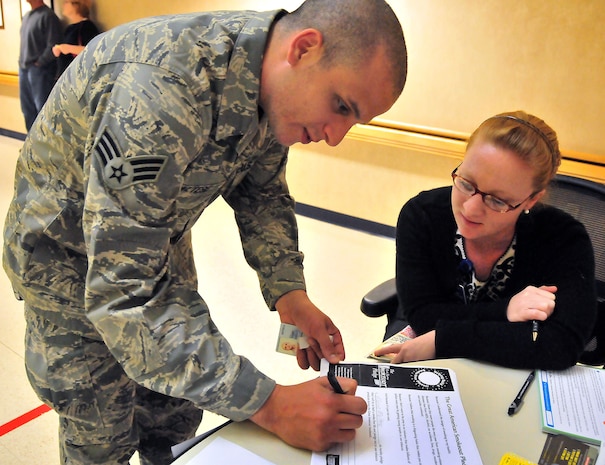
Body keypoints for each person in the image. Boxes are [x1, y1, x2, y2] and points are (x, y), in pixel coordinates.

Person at [3, 1, 408, 464]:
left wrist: (287, 292)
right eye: (340, 106)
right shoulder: (161, 91)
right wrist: (270, 405)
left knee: (171, 418)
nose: (335, 136)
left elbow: (262, 192)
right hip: (66, 269)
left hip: (153, 247)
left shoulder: (270, 87)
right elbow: (124, 293)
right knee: (101, 434)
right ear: (304, 48)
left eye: (354, 121)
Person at [374, 111, 597, 370]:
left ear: (530, 200)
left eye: (497, 200)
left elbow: (561, 345)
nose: (471, 209)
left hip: (509, 374)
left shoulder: (564, 238)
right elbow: (424, 318)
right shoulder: (422, 215)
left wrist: (444, 337)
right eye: (466, 183)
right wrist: (506, 312)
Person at [18, 0, 62, 131]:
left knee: (42, 112)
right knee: (27, 110)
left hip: (39, 71)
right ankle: (31, 148)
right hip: (24, 69)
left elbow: (53, 45)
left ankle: (44, 149)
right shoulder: (26, 16)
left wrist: (39, 63)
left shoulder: (48, 16)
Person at [52, 0, 100, 78]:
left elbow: (93, 50)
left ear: (76, 5)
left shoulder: (87, 26)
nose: (63, 5)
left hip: (79, 77)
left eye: (66, 2)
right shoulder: (69, 28)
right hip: (67, 77)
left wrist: (69, 48)